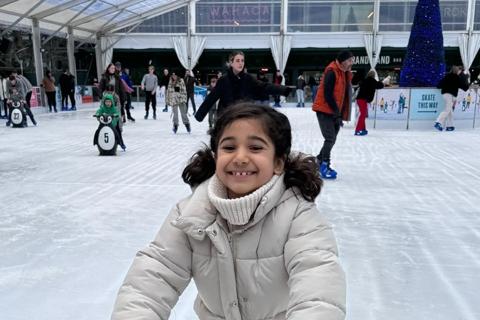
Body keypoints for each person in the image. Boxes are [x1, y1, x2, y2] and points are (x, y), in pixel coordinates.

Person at [111, 102, 346, 320]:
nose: (240, 157)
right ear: (215, 157)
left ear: (278, 162)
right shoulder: (191, 214)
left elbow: (318, 286)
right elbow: (154, 277)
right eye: (229, 147)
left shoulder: (297, 215)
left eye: (255, 147)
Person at [194, 50, 291, 123]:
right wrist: (200, 115)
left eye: (242, 60)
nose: (241, 63)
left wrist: (283, 90)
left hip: (244, 118)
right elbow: (211, 98)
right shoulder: (223, 80)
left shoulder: (248, 78)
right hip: (227, 119)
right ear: (231, 63)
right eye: (237, 60)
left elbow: (264, 87)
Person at [312, 50, 354, 180]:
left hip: (334, 111)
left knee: (333, 138)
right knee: (330, 138)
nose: (351, 63)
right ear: (342, 61)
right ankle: (325, 164)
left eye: (352, 60)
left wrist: (339, 114)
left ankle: (318, 161)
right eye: (349, 60)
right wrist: (336, 113)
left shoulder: (344, 73)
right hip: (324, 110)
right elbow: (328, 95)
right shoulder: (332, 71)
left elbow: (342, 95)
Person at [434, 65, 470, 132]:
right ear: (456, 71)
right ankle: (438, 122)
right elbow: (465, 87)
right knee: (447, 109)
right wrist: (467, 80)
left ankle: (450, 126)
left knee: (450, 111)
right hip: (450, 95)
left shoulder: (446, 76)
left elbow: (438, 85)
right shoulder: (457, 78)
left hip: (445, 94)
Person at [355, 70, 386, 136]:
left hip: (360, 99)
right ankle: (358, 130)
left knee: (363, 114)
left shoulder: (365, 80)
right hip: (363, 100)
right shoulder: (372, 81)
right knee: (363, 115)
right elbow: (379, 85)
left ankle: (363, 129)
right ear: (373, 76)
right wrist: (384, 83)